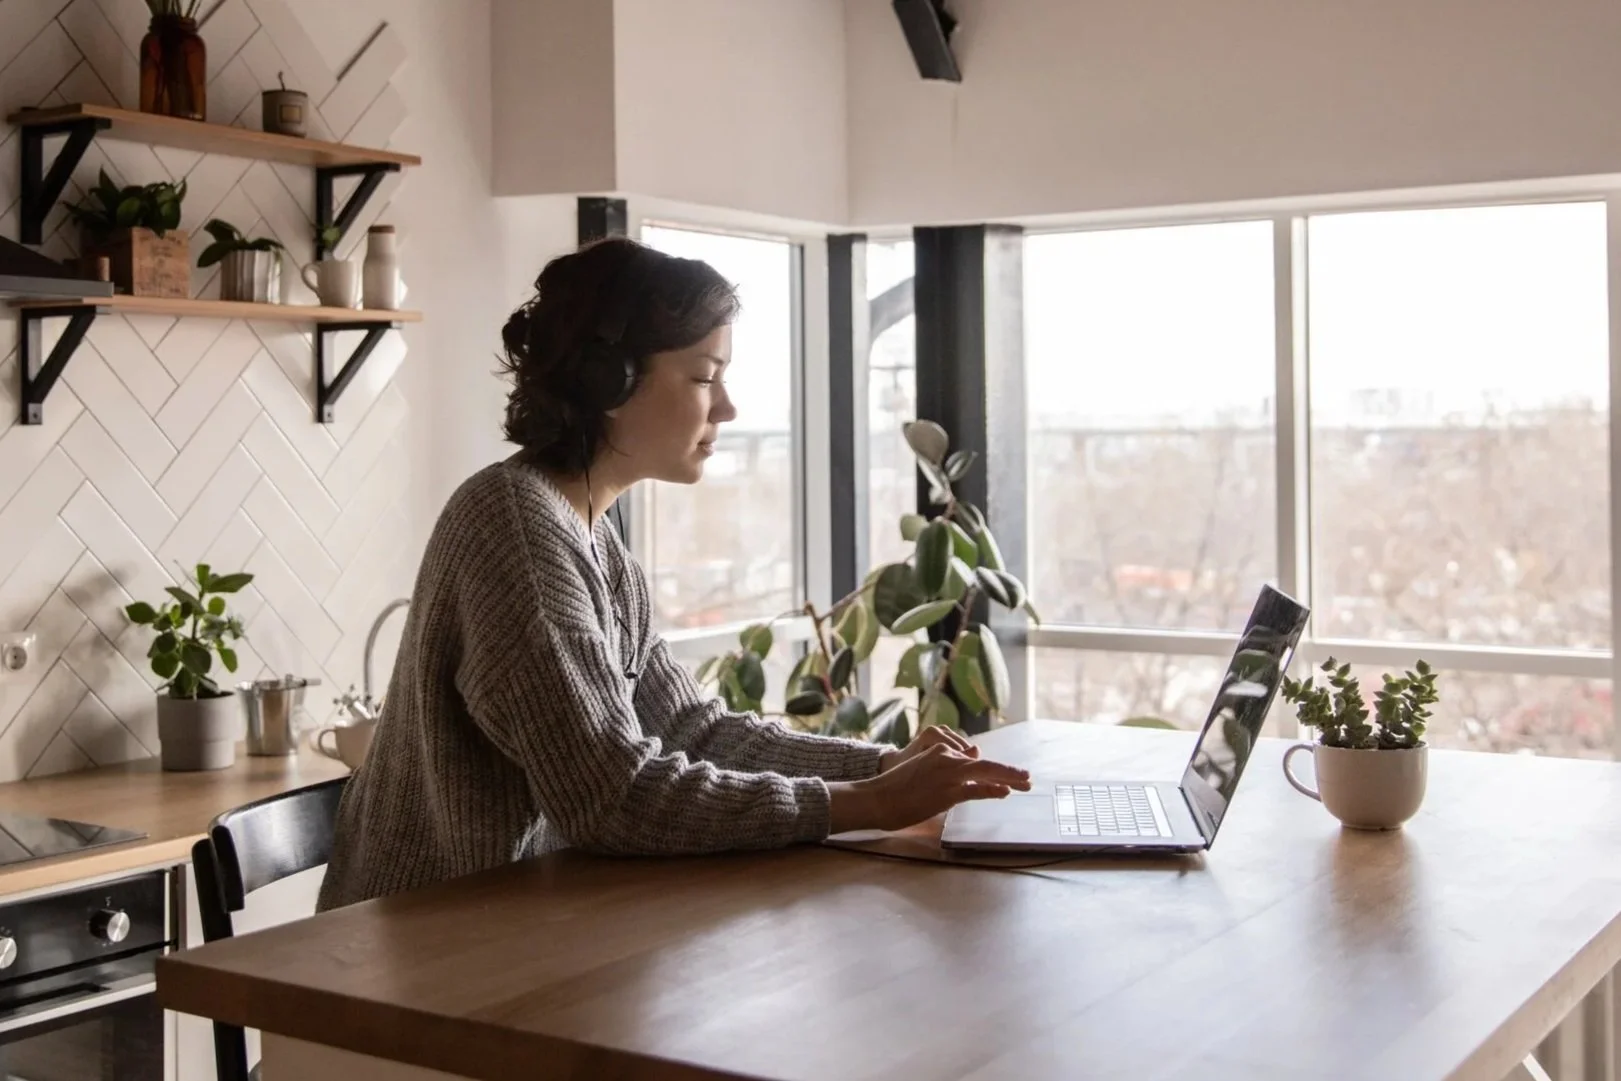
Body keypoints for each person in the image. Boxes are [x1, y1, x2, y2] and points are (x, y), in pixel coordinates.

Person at [316, 237, 1030, 910]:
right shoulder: (516, 531)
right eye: (704, 377)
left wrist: (881, 766)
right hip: (403, 964)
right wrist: (866, 804)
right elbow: (611, 797)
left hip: (512, 926)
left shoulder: (589, 536)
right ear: (608, 381)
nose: (726, 407)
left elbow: (689, 729)